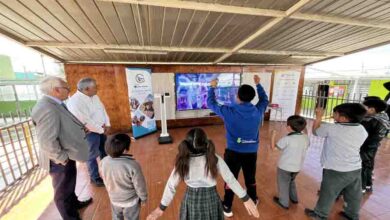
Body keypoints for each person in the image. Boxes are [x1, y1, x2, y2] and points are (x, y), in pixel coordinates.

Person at [146, 128, 259, 220]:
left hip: (191, 201)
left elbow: (171, 185)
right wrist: (245, 198)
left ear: (186, 144)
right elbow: (230, 179)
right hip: (211, 200)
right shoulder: (215, 159)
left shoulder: (182, 161)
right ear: (206, 143)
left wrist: (161, 208)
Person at [207, 75, 268, 217]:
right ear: (251, 98)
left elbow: (211, 103)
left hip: (233, 152)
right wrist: (258, 85)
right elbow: (264, 100)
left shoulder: (229, 112)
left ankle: (227, 206)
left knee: (230, 178)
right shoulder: (258, 111)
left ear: (238, 97)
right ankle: (253, 199)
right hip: (251, 152)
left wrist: (212, 87)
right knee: (250, 178)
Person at [31, 76, 92, 220]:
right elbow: (46, 140)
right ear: (56, 90)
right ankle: (70, 217)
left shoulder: (56, 104)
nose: (69, 91)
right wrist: (61, 158)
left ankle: (75, 204)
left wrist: (80, 129)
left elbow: (63, 124)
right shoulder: (47, 108)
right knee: (62, 191)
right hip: (59, 159)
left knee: (69, 184)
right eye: (67, 88)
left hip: (66, 153)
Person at [305, 103, 368, 220]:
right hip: (355, 168)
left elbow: (315, 132)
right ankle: (352, 215)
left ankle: (319, 214)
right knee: (353, 195)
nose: (333, 115)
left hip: (335, 169)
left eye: (335, 113)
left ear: (343, 118)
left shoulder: (332, 128)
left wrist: (318, 116)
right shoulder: (361, 129)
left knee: (328, 193)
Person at [67, 77, 111, 187]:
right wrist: (101, 129)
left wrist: (107, 123)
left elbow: (103, 109)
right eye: (95, 87)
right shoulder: (75, 101)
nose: (97, 89)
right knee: (91, 155)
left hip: (101, 129)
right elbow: (85, 120)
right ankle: (95, 177)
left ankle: (107, 172)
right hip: (90, 133)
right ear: (87, 89)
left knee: (104, 151)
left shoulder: (94, 96)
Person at [101, 134, 147, 220]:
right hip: (130, 201)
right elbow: (139, 185)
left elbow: (105, 179)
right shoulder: (133, 165)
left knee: (116, 217)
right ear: (125, 150)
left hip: (114, 199)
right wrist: (143, 198)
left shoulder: (103, 161)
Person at [270, 115, 309, 209]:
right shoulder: (305, 138)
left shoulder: (287, 139)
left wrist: (273, 136)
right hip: (297, 168)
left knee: (283, 184)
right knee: (291, 181)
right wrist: (304, 129)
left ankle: (283, 203)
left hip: (285, 167)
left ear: (289, 127)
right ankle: (294, 198)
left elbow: (273, 148)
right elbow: (306, 134)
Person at [360, 99, 390, 193]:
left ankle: (361, 188)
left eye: (364, 107)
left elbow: (362, 135)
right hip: (373, 146)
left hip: (365, 146)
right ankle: (368, 186)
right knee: (368, 165)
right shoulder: (383, 118)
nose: (362, 109)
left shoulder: (369, 121)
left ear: (372, 110)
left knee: (362, 167)